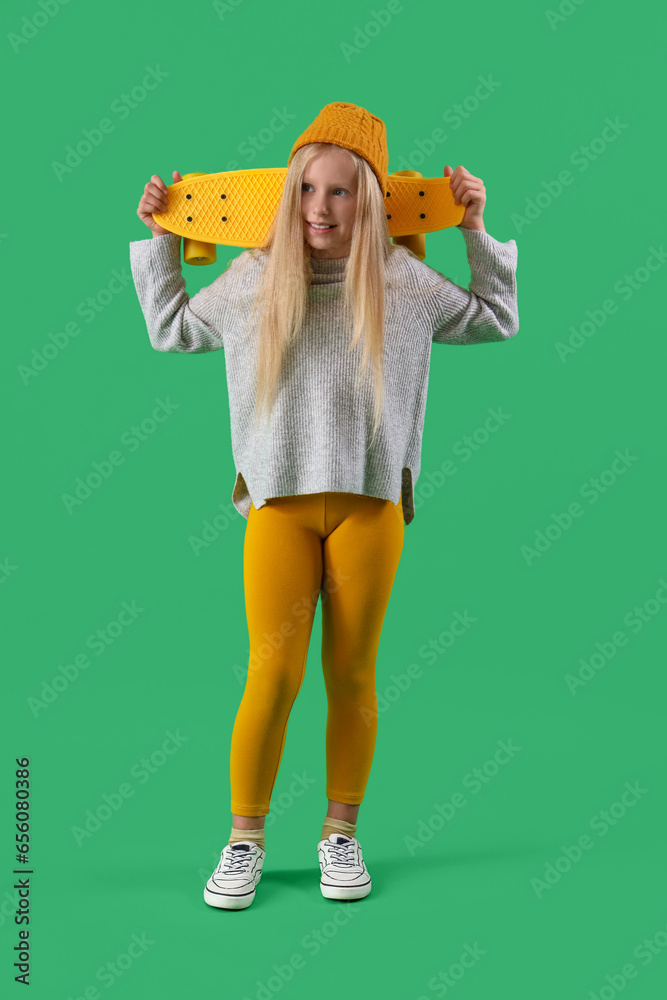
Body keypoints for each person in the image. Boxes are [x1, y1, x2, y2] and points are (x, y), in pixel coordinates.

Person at [130, 102, 519, 911]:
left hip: (369, 510)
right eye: (307, 188)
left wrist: (474, 228)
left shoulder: (402, 286)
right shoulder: (252, 285)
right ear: (288, 191)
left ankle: (340, 834)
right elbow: (169, 328)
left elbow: (495, 318)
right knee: (270, 676)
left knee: (350, 674)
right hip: (279, 508)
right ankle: (243, 840)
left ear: (370, 201)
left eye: (341, 193)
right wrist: (168, 238)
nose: (318, 208)